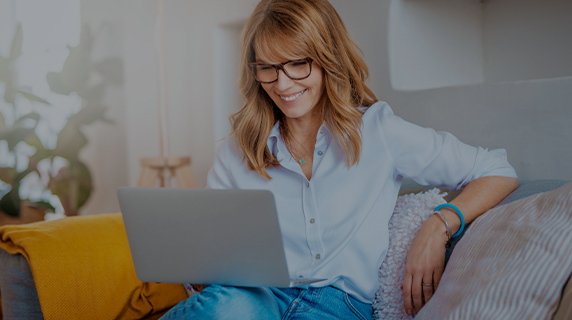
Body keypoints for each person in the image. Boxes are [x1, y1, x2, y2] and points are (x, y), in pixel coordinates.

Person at [160, 0, 518, 319]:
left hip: (339, 305)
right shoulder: (237, 151)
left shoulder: (379, 131)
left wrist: (438, 226)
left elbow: (497, 172)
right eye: (267, 67)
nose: (282, 85)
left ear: (328, 58)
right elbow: (210, 256)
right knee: (226, 308)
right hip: (254, 298)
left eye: (298, 63)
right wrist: (200, 269)